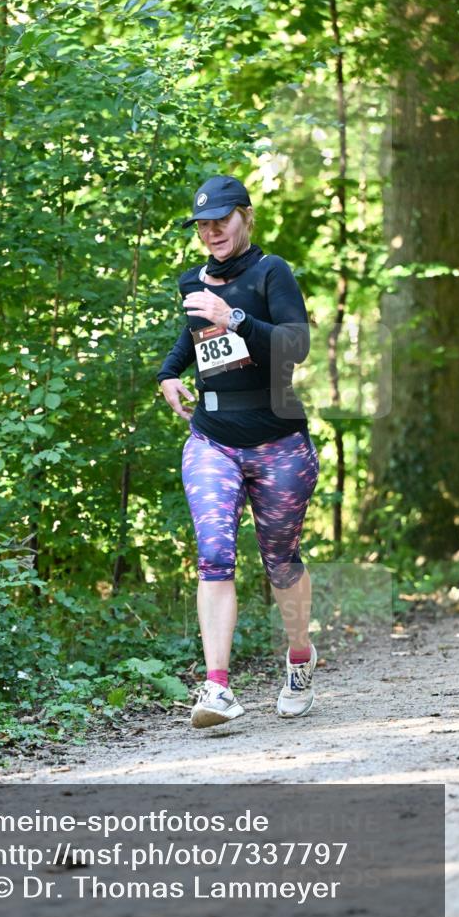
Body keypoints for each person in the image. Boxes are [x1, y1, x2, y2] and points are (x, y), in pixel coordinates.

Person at [157, 174, 321, 728]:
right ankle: (217, 687)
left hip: (279, 442)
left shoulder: (271, 272)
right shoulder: (192, 282)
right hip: (212, 440)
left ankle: (299, 658)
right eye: (202, 225)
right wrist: (169, 374)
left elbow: (295, 346)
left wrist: (238, 318)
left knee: (280, 561)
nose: (211, 233)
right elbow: (193, 335)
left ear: (244, 217)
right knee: (214, 554)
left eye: (220, 222)